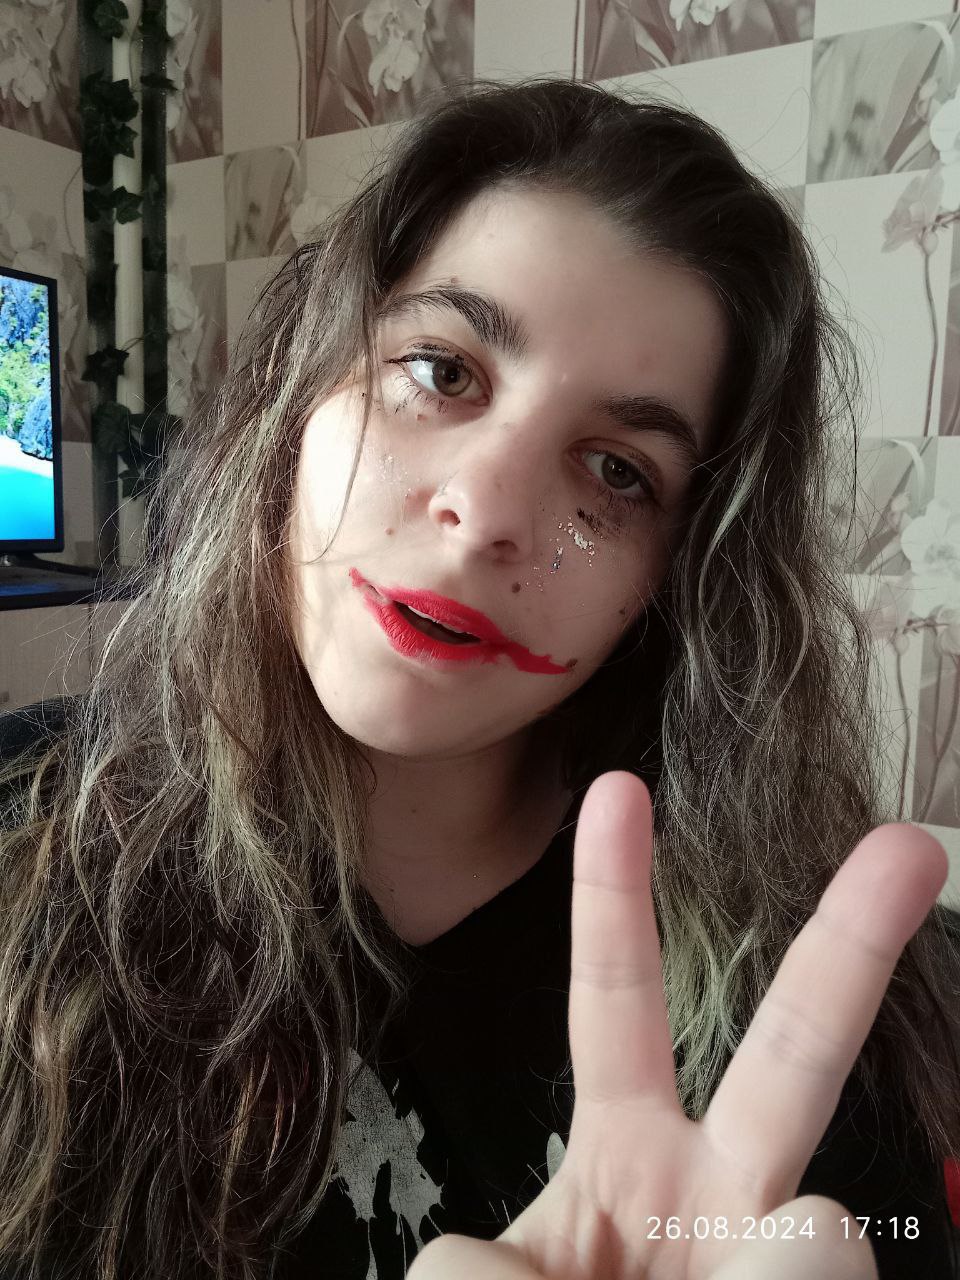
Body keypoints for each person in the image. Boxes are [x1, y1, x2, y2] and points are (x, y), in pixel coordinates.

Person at [0, 76, 959, 1280]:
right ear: (302, 388)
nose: (487, 510)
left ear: (679, 576)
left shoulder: (800, 1008)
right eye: (441, 371)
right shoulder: (22, 830)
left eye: (617, 471)